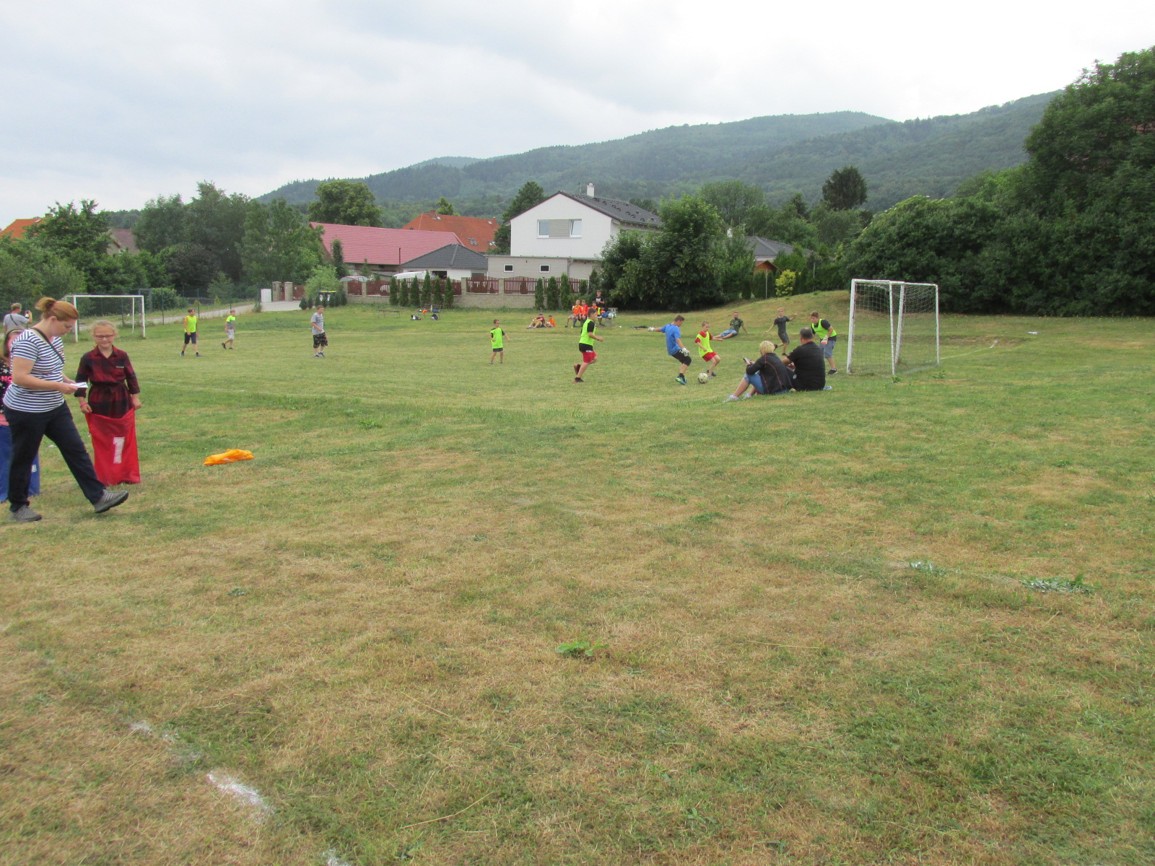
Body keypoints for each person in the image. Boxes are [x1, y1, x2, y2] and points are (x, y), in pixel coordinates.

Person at [3, 298, 128, 522]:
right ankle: (18, 506)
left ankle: (99, 497)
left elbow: (51, 368)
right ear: (52, 319)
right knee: (24, 455)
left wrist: (66, 380)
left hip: (54, 406)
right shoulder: (27, 340)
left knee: (75, 449)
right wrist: (58, 386)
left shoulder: (55, 339)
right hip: (26, 410)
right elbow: (20, 377)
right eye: (67, 326)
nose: (68, 331)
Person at [74, 320, 142, 486]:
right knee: (102, 438)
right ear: (94, 337)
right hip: (98, 400)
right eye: (100, 336)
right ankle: (105, 475)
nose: (104, 339)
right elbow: (81, 381)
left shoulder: (122, 355)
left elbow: (131, 377)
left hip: (121, 399)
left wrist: (135, 397)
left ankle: (126, 473)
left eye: (107, 335)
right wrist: (82, 402)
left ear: (114, 335)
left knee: (122, 437)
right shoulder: (88, 358)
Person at [1, 327, 41, 502]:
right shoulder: (2, 364)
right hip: (4, 417)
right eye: (12, 339)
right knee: (6, 455)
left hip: (29, 413)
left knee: (29, 453)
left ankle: (32, 489)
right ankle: (5, 491)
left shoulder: (33, 362)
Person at [725, 340, 793, 401]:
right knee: (759, 372)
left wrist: (748, 364)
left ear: (762, 350)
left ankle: (734, 396)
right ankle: (749, 395)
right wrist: (755, 364)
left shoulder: (764, 358)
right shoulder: (775, 357)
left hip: (773, 391)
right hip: (783, 390)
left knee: (748, 376)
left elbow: (749, 371)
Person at [784, 327, 827, 391]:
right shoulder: (818, 349)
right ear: (812, 336)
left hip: (805, 385)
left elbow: (783, 362)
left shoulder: (800, 350)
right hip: (820, 385)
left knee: (783, 368)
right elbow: (809, 364)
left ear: (801, 338)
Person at [655, 315, 692, 385]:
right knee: (688, 359)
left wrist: (652, 329)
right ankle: (680, 376)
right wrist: (684, 349)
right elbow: (678, 340)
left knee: (684, 362)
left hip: (670, 350)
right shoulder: (676, 328)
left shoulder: (668, 326)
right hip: (675, 349)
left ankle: (682, 377)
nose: (681, 325)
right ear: (678, 321)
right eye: (681, 323)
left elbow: (660, 329)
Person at [573, 313, 603, 383]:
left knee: (594, 359)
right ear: (591, 315)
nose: (596, 316)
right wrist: (598, 338)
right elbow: (590, 334)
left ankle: (579, 367)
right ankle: (577, 378)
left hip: (584, 344)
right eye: (595, 314)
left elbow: (582, 332)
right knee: (587, 361)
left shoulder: (586, 322)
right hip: (586, 344)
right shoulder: (591, 323)